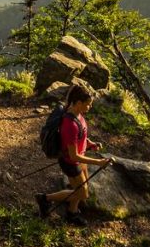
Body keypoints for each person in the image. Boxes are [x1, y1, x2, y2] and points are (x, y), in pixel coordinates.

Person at [36, 84, 110, 225]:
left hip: (78, 158)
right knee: (83, 193)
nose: (90, 107)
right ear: (79, 103)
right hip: (71, 163)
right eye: (88, 105)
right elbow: (74, 155)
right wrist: (99, 163)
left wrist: (89, 143)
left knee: (80, 188)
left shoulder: (78, 114)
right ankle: (45, 198)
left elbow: (80, 136)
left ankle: (72, 213)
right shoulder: (70, 124)